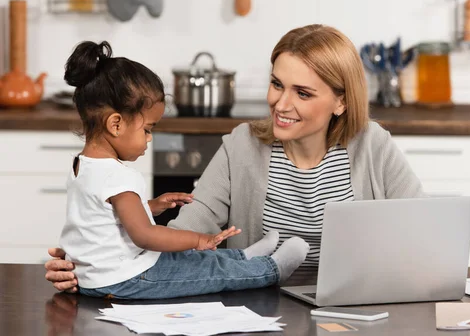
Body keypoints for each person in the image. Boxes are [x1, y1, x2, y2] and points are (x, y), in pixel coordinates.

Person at [45, 24, 425, 293]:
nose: (281, 103)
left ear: (341, 101)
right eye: (277, 84)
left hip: (360, 310)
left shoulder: (373, 145)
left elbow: (422, 239)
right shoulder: (241, 146)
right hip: (263, 309)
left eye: (303, 93)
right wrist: (100, 256)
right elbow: (183, 234)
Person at [54, 40, 309, 299]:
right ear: (116, 124)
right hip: (126, 278)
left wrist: (150, 206)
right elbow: (145, 235)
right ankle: (270, 269)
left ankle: (245, 256)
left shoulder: (82, 166)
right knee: (203, 270)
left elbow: (106, 214)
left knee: (187, 260)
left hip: (99, 277)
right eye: (147, 130)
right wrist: (198, 240)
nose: (149, 138)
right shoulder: (118, 176)